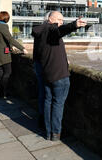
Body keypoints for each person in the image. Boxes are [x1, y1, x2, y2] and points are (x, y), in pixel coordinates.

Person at [31, 11, 87, 141]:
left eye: (63, 20)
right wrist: (75, 25)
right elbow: (59, 31)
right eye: (59, 19)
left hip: (46, 72)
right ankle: (56, 132)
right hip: (59, 74)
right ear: (50, 19)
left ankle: (49, 131)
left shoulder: (41, 31)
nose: (62, 22)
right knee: (58, 104)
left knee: (48, 101)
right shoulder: (51, 29)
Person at [0, 11, 27, 98]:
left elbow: (3, 39)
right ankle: (4, 92)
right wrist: (22, 48)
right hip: (3, 52)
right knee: (7, 72)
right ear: (5, 18)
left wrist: (11, 46)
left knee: (0, 72)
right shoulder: (2, 26)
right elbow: (10, 39)